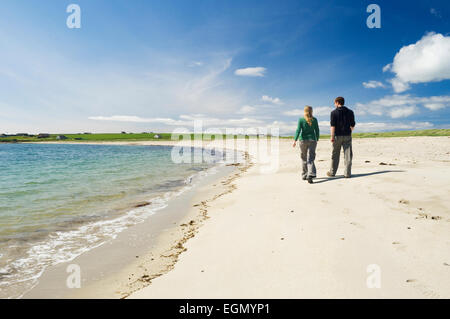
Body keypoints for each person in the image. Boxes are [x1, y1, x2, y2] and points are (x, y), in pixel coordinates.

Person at [327, 96, 356, 178]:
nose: (334, 104)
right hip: (347, 135)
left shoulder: (333, 113)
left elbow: (333, 126)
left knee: (335, 154)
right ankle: (347, 173)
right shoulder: (350, 112)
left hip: (337, 136)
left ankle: (332, 172)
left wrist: (332, 136)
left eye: (334, 103)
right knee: (348, 155)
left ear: (337, 102)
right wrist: (349, 130)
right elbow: (353, 125)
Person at [292, 106, 320, 184]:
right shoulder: (314, 119)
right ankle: (310, 174)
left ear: (304, 111)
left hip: (303, 141)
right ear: (311, 111)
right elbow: (317, 130)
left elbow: (298, 130)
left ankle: (304, 175)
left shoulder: (301, 119)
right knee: (310, 158)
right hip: (312, 140)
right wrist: (317, 138)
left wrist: (295, 140)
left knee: (304, 158)